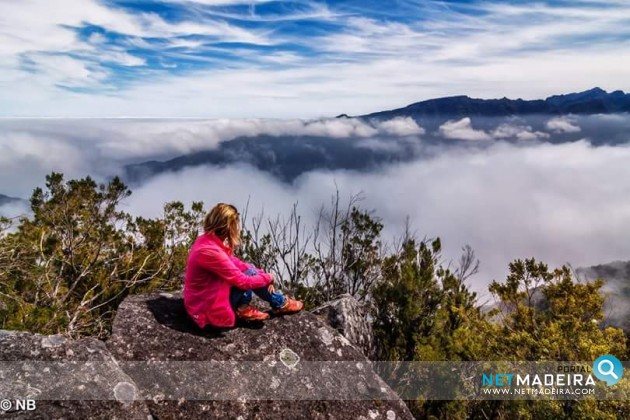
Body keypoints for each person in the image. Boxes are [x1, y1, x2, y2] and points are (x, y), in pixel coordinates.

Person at [184, 203, 303, 328]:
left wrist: (262, 274)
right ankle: (281, 303)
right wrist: (268, 277)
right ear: (229, 227)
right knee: (249, 275)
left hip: (203, 300)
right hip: (206, 311)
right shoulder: (210, 252)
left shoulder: (206, 241)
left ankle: (243, 307)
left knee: (249, 268)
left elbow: (237, 263)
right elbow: (243, 282)